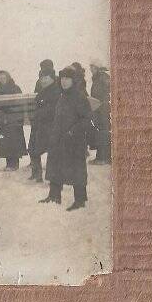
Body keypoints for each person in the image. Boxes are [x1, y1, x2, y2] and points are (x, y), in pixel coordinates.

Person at [41, 66, 91, 211]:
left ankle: (80, 200)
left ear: (73, 80)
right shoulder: (62, 96)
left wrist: (72, 132)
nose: (64, 81)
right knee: (55, 166)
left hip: (74, 141)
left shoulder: (79, 97)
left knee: (77, 170)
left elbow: (87, 119)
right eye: (62, 78)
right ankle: (54, 196)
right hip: (58, 139)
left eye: (67, 78)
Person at [28, 69, 61, 182]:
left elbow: (53, 109)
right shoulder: (42, 92)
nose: (43, 80)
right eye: (41, 78)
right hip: (39, 125)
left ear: (52, 78)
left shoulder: (56, 91)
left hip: (50, 126)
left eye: (46, 78)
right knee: (32, 148)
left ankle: (54, 177)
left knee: (52, 152)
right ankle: (36, 174)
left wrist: (39, 114)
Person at [0, 70, 27, 171]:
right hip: (3, 120)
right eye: (0, 78)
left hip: (14, 120)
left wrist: (14, 115)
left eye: (4, 78)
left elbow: (19, 104)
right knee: (5, 142)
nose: (2, 80)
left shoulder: (15, 88)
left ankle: (15, 164)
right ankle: (9, 164)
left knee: (14, 141)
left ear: (8, 77)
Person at [88, 60, 111, 165]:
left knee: (103, 132)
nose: (91, 70)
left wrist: (101, 107)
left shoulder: (102, 79)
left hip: (103, 110)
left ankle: (103, 158)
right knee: (102, 132)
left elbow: (105, 95)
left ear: (97, 68)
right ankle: (101, 157)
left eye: (92, 67)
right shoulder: (100, 78)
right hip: (100, 109)